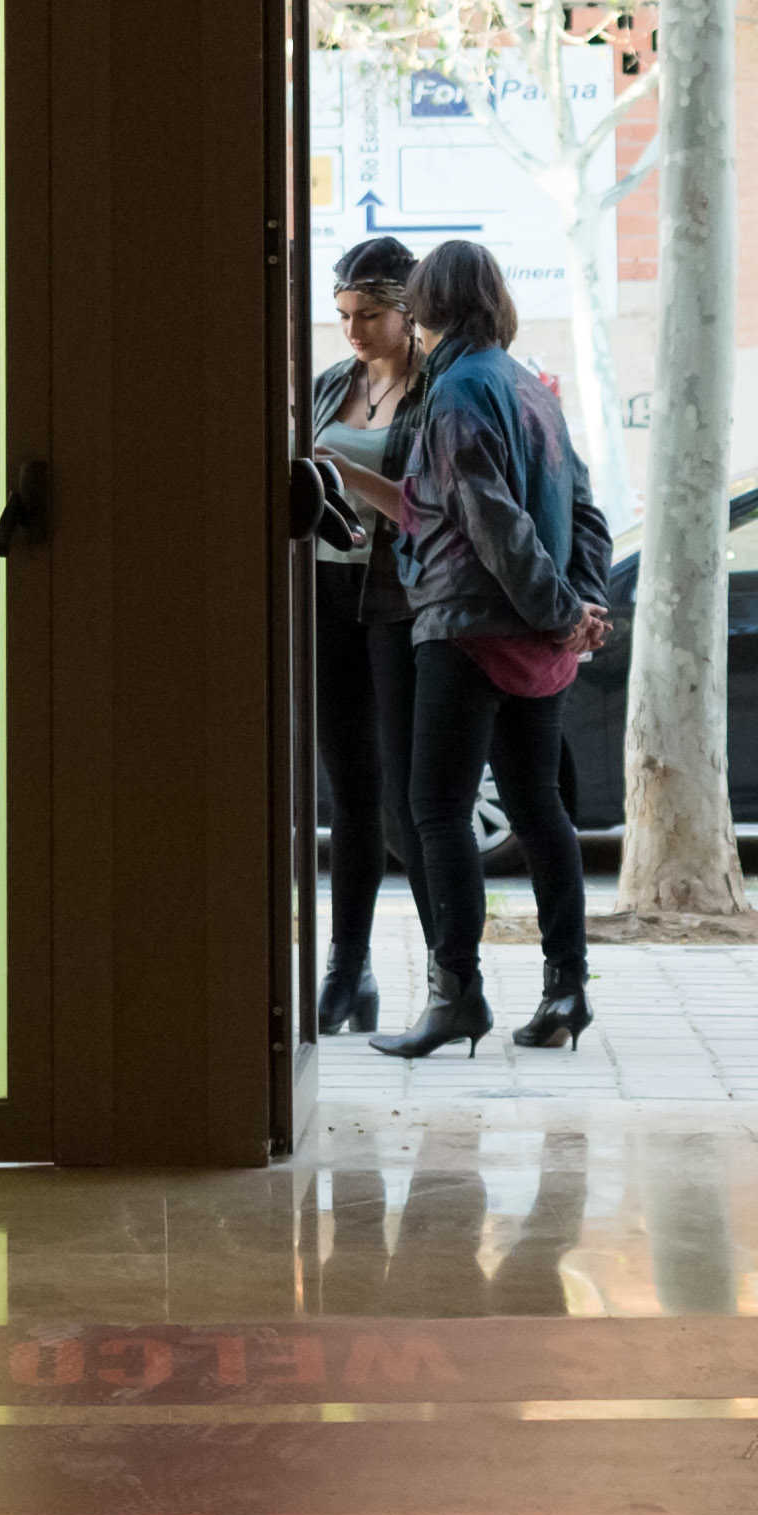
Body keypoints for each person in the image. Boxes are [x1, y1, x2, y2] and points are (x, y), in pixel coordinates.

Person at [373, 237, 614, 1060]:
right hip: (537, 638)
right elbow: (585, 510)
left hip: (468, 626)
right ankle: (567, 988)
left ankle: (457, 997)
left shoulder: (456, 392)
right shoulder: (530, 386)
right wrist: (582, 606)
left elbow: (489, 519)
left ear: (426, 305)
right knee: (541, 808)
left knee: (436, 811)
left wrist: (560, 612)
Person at [296, 235, 422, 1038]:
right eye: (343, 315)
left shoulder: (438, 391)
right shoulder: (329, 385)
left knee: (411, 798)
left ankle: (450, 975)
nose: (353, 331)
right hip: (325, 589)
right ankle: (348, 971)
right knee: (348, 790)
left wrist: (341, 473)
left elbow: (432, 507)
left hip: (400, 598)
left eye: (370, 315)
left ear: (409, 312)